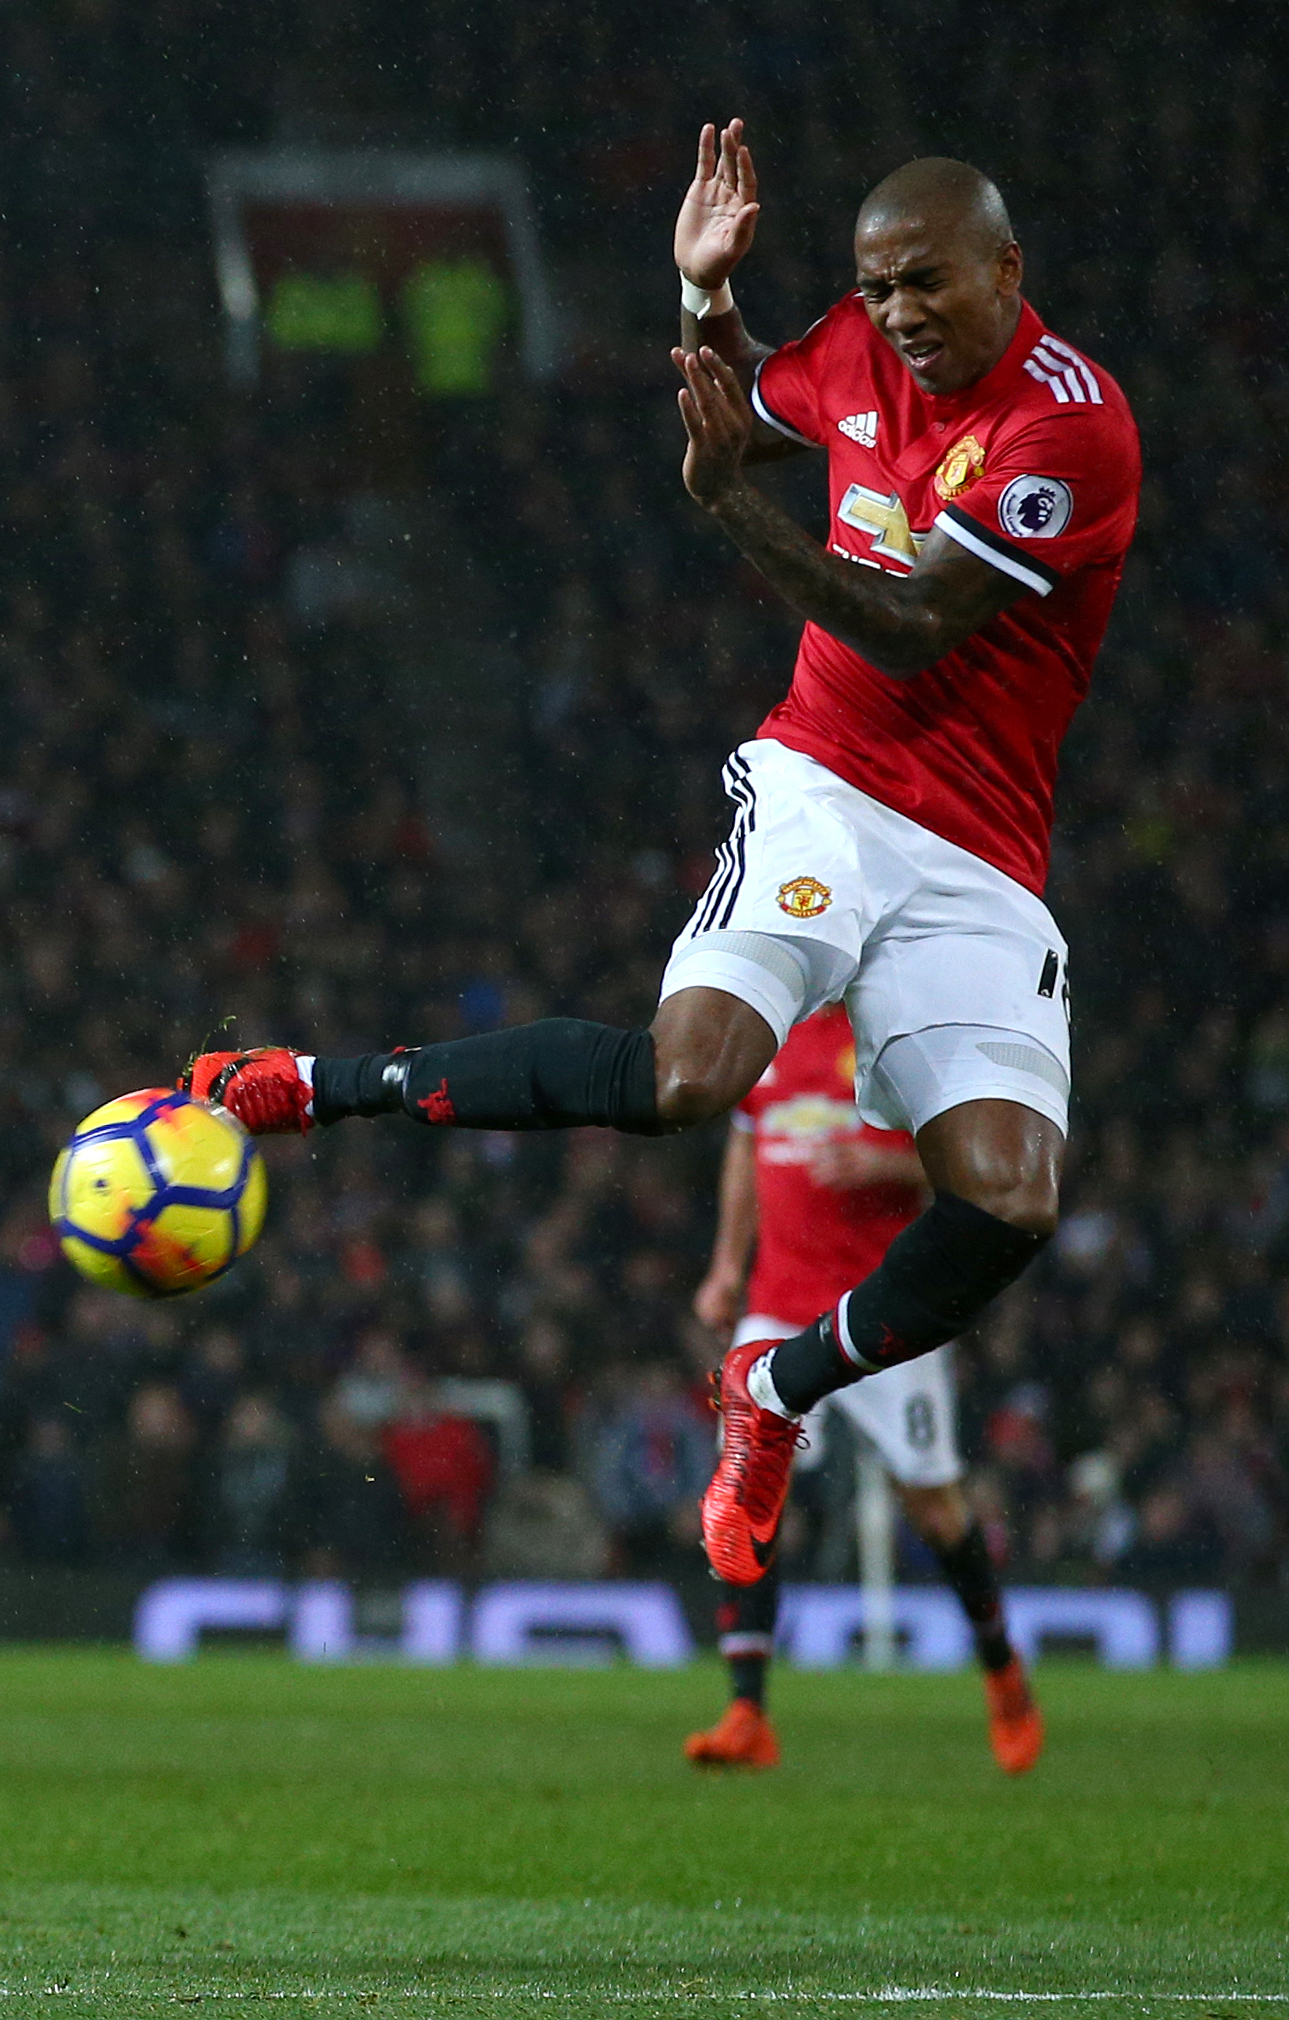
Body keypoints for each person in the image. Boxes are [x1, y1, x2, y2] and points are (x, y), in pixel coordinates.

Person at [186, 121, 1139, 1592]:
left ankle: (772, 1390)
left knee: (1010, 1198)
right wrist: (703, 296)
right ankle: (318, 1087)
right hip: (827, 785)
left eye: (927, 285)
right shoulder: (857, 349)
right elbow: (750, 399)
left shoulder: (1064, 432)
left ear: (1007, 269)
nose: (898, 315)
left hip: (977, 855)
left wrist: (727, 511)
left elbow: (911, 623)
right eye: (878, 289)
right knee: (689, 1078)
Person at [683, 1006, 1041, 1774]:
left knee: (934, 1504)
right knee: (747, 1489)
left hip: (882, 1308)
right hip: (778, 1304)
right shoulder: (767, 1036)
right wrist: (724, 1267)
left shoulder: (892, 1034)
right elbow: (746, 1152)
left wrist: (882, 1166)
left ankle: (1004, 1674)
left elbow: (966, 1162)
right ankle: (747, 1710)